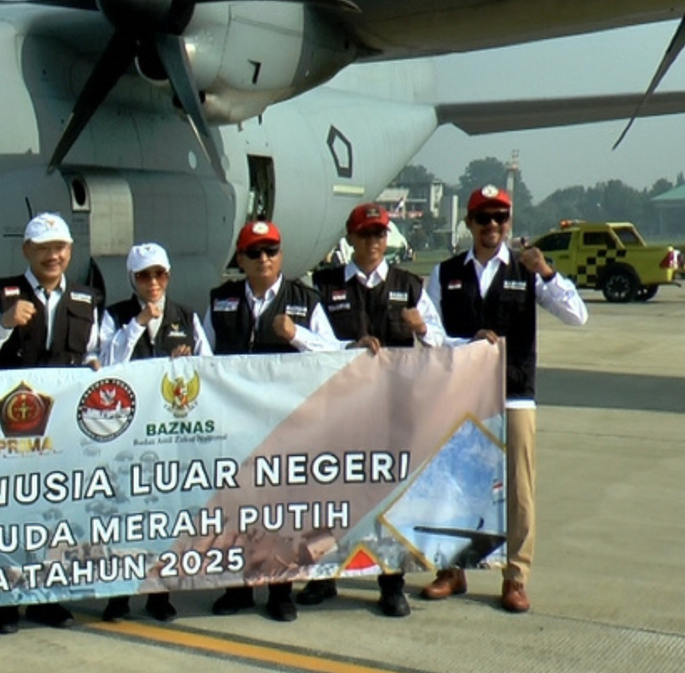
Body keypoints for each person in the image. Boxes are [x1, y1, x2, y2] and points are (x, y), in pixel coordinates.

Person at [421, 186, 587, 614]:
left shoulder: (527, 269)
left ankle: (515, 575)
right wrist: (467, 342)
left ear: (508, 222)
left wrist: (547, 271)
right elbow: (432, 338)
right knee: (455, 485)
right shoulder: (445, 273)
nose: (492, 225)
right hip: (462, 396)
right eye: (483, 218)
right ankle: (452, 568)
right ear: (469, 223)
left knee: (518, 490)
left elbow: (576, 315)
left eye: (500, 217)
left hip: (514, 394)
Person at [293, 203, 447, 618]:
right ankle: (323, 576)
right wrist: (348, 349)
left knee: (389, 498)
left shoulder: (409, 285)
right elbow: (309, 340)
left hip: (393, 411)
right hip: (339, 409)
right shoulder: (323, 286)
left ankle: (391, 582)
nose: (374, 243)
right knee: (330, 496)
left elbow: (441, 343)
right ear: (350, 237)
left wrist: (421, 328)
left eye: (379, 234)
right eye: (365, 235)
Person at [204, 219, 342, 622]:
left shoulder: (306, 300)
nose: (263, 259)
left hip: (289, 424)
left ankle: (281, 591)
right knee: (239, 509)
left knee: (282, 509)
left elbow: (333, 355)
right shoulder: (221, 301)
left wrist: (297, 334)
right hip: (238, 424)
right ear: (241, 259)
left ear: (280, 255)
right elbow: (206, 358)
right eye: (254, 252)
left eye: (270, 251)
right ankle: (240, 587)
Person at [0, 212, 101, 634]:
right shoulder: (0, 292)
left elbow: (95, 355)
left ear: (70, 252)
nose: (52, 256)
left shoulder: (85, 298)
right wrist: (5, 322)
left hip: (63, 430)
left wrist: (95, 365)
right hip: (13, 427)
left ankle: (50, 597)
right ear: (26, 250)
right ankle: (7, 601)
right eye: (43, 248)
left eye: (59, 248)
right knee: (11, 515)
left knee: (56, 513)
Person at [97, 242, 210, 624]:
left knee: (164, 516)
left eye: (159, 274)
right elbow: (107, 365)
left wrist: (189, 364)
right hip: (126, 437)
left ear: (169, 276)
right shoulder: (114, 317)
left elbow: (210, 370)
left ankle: (160, 593)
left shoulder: (186, 317)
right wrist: (139, 323)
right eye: (144, 275)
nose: (153, 282)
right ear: (132, 278)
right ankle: (119, 594)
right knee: (124, 517)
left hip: (170, 436)